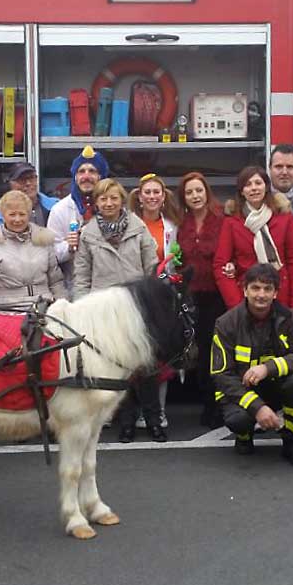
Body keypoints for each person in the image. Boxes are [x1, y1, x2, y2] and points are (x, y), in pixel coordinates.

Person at [72, 179, 163, 442]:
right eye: (103, 199)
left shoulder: (138, 227)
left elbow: (152, 267)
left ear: (122, 200)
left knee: (146, 369)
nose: (108, 203)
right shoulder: (88, 233)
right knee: (117, 371)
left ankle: (154, 420)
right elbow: (81, 275)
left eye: (113, 198)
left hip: (136, 308)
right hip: (104, 312)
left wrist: (152, 303)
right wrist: (81, 310)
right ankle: (126, 423)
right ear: (96, 203)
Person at [210, 264, 293, 468]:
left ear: (276, 293)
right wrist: (257, 408)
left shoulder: (288, 319)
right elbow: (221, 374)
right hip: (241, 391)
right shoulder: (226, 323)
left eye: (267, 289)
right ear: (245, 290)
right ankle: (243, 435)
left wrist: (269, 368)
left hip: (275, 386)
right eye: (255, 288)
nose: (261, 294)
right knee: (238, 419)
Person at [213, 165, 293, 313]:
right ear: (242, 191)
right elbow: (221, 266)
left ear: (266, 187)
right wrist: (236, 305)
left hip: (281, 296)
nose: (254, 188)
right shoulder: (232, 222)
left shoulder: (284, 218)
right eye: (248, 185)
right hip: (246, 299)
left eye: (258, 183)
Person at [129, 172, 182, 425]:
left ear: (163, 197)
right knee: (134, 357)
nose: (152, 197)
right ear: (139, 197)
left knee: (159, 359)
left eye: (156, 192)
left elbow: (175, 261)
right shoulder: (130, 223)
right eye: (147, 192)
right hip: (136, 297)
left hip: (162, 298)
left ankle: (158, 410)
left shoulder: (172, 226)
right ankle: (135, 411)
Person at [176, 172, 226, 428]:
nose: (195, 196)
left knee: (213, 353)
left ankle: (215, 405)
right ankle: (202, 400)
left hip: (216, 297)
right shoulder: (180, 224)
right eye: (189, 192)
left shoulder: (222, 220)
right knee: (194, 352)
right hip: (189, 298)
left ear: (206, 192)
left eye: (199, 190)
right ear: (183, 198)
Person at [0, 190, 65, 306]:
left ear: (29, 215)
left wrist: (62, 307)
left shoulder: (43, 241)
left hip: (44, 307)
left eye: (22, 214)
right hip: (8, 309)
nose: (17, 219)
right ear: (3, 216)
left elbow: (56, 282)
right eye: (12, 214)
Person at [46, 145, 108, 287]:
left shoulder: (114, 208)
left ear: (101, 176)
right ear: (75, 176)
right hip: (75, 285)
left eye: (92, 171)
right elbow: (51, 255)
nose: (86, 176)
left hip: (109, 284)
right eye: (81, 171)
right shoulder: (59, 210)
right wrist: (69, 246)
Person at [0, 161, 59, 228]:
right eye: (22, 179)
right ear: (10, 183)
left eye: (32, 178)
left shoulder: (56, 206)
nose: (28, 183)